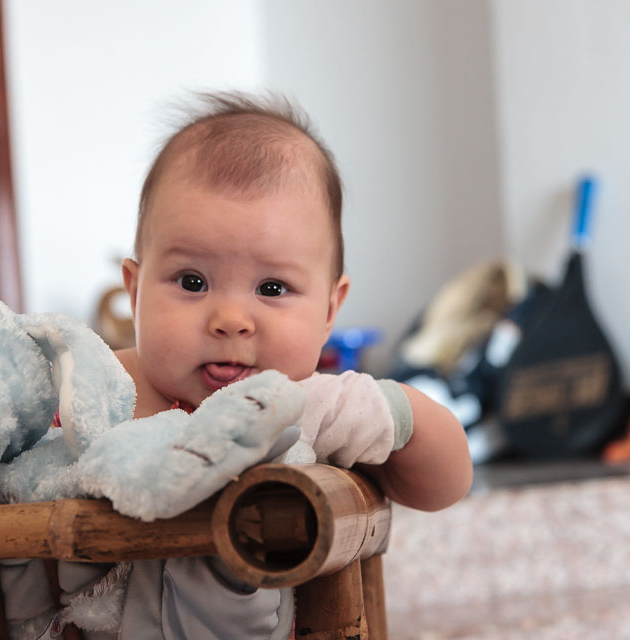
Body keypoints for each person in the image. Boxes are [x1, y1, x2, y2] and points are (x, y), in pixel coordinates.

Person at [58, 91, 472, 639]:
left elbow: (444, 486)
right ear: (135, 293)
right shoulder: (101, 389)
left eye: (272, 288)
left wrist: (395, 411)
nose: (231, 320)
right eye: (192, 282)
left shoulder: (314, 408)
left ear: (329, 311)